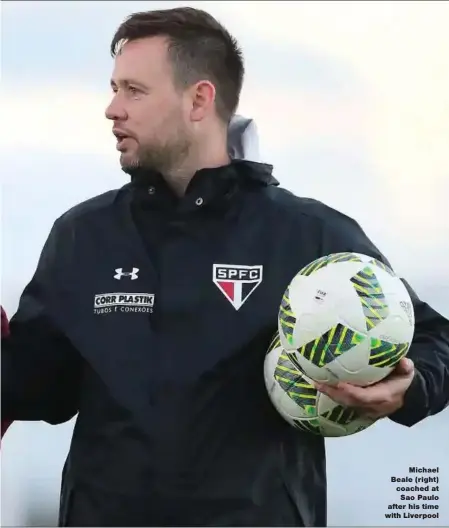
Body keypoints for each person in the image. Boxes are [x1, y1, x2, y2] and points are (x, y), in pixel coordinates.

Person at [2, 7, 448, 527]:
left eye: (133, 90)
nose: (111, 108)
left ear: (199, 99)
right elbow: (42, 384)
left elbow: (435, 340)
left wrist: (407, 388)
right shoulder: (83, 236)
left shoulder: (307, 235)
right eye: (114, 88)